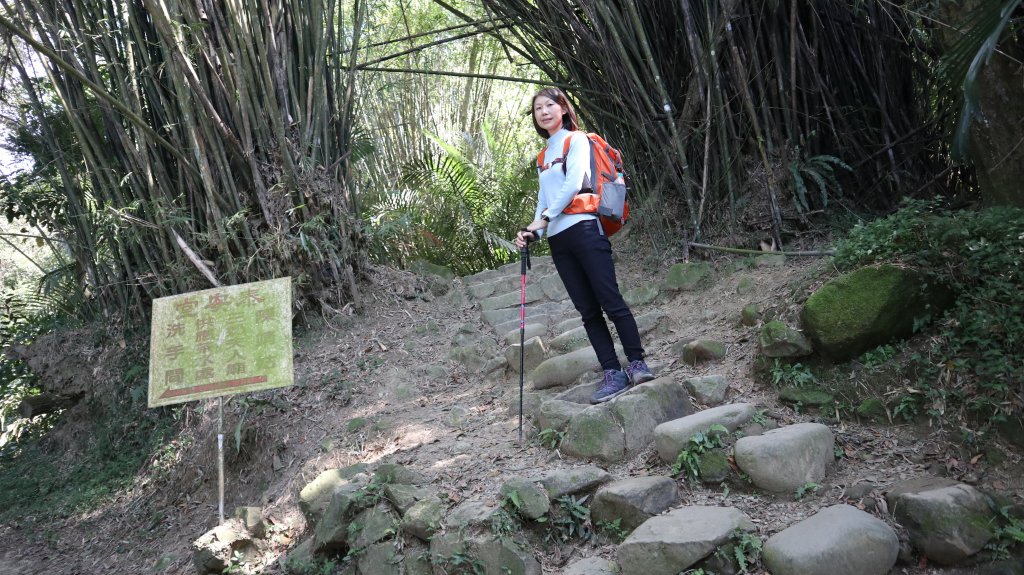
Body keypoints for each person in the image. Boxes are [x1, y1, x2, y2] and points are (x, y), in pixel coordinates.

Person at [514, 87, 655, 404]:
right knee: (588, 311)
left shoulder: (575, 140)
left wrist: (546, 216)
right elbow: (543, 203)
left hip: (585, 229)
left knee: (610, 299)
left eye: (550, 104)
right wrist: (532, 231)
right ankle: (611, 372)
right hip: (559, 241)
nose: (545, 111)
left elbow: (575, 181)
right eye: (538, 108)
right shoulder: (542, 157)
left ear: (563, 109)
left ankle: (636, 363)